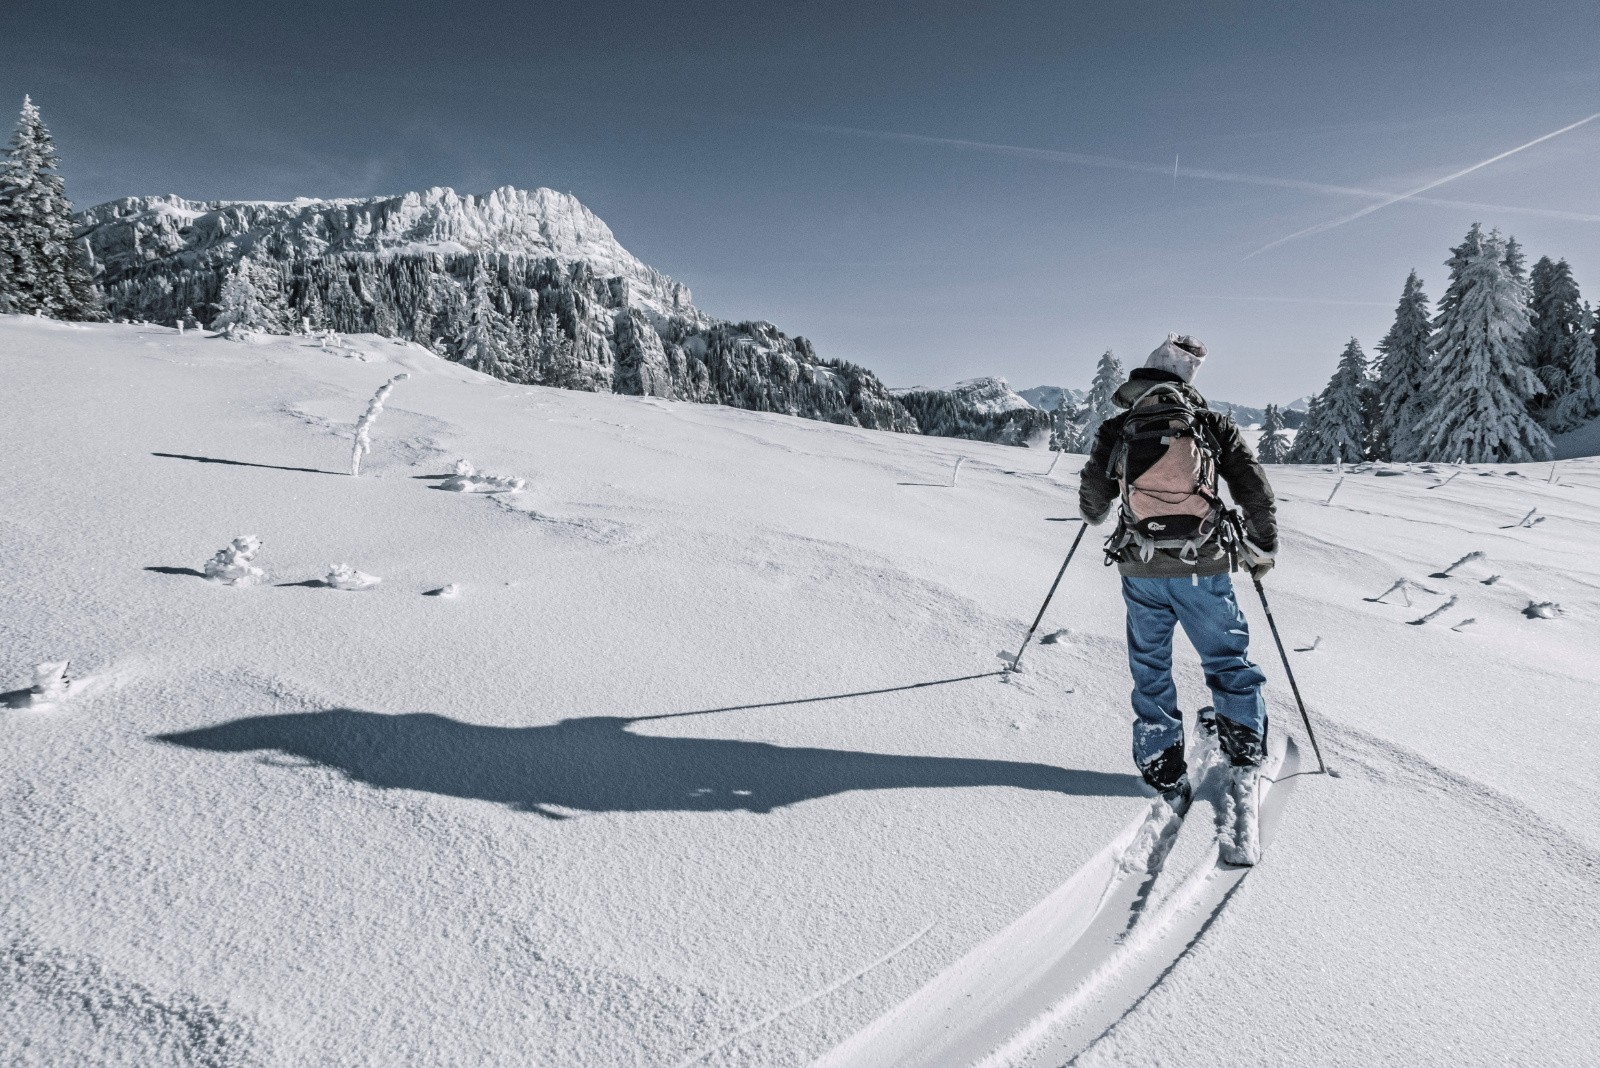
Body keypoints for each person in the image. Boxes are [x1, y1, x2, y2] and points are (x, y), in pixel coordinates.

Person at [1078, 334, 1277, 815]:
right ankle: (1243, 741)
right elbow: (1254, 489)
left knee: (1150, 663)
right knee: (1226, 655)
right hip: (1201, 563)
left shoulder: (1119, 427)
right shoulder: (1211, 424)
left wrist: (1095, 513)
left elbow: (1094, 496)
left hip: (1141, 566)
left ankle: (1160, 762)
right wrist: (1263, 546)